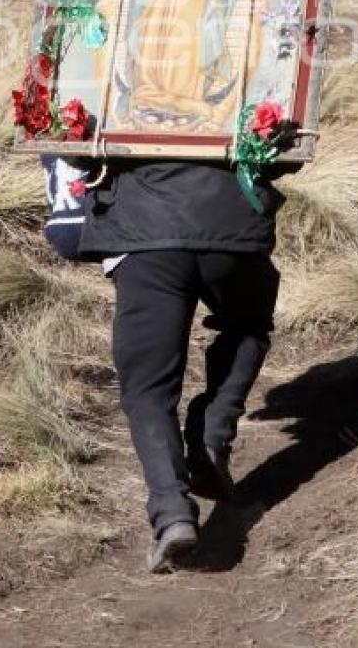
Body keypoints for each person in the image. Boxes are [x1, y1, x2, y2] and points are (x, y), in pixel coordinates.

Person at [42, 153, 285, 574]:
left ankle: (172, 513)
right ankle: (213, 432)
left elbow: (74, 160)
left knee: (148, 391)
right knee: (247, 327)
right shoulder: (239, 83)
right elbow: (285, 155)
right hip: (233, 227)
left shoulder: (112, 87)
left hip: (144, 236)